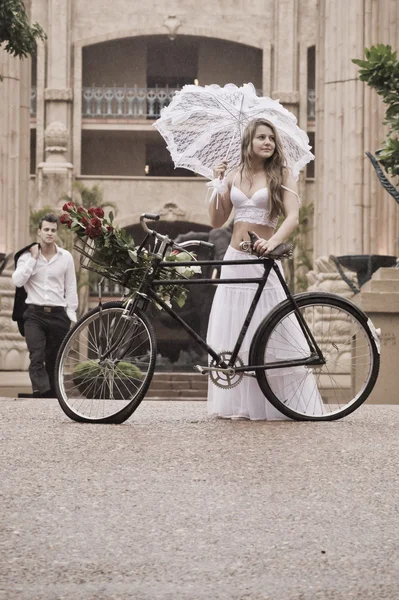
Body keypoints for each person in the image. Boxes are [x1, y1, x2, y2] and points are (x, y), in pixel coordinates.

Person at [207, 118, 306, 420]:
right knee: (235, 328)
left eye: (271, 139)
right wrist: (218, 184)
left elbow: (292, 218)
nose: (267, 143)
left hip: (264, 258)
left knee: (268, 328)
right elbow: (216, 219)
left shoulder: (283, 174)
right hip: (235, 260)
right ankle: (239, 404)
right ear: (248, 141)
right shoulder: (235, 174)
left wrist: (272, 242)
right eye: (261, 137)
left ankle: (274, 405)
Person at [12, 214, 78, 398]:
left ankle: (50, 396)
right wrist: (33, 259)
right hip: (34, 314)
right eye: (46, 229)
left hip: (58, 315)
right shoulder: (27, 256)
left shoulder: (66, 257)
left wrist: (71, 315)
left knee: (55, 359)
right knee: (36, 356)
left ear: (57, 232)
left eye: (53, 230)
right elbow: (17, 281)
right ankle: (43, 393)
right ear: (39, 231)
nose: (49, 233)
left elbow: (71, 287)